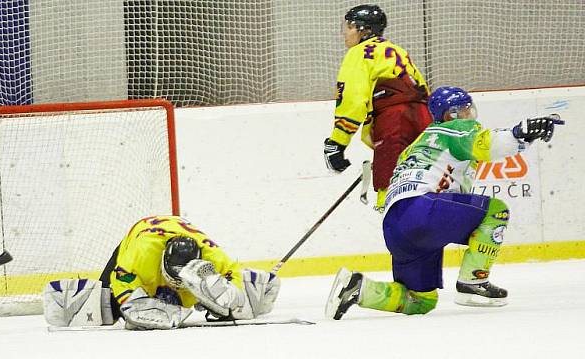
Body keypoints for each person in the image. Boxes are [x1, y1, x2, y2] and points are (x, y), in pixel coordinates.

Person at [325, 86, 564, 319]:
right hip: (424, 211)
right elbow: (486, 144)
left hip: (395, 227)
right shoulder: (455, 129)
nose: (471, 114)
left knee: (421, 300)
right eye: (467, 108)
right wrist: (520, 132)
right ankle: (474, 280)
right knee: (496, 211)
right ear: (453, 114)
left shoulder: (415, 146)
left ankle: (358, 288)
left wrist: (524, 139)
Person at [42, 215, 281, 330]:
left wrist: (222, 296)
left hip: (176, 237)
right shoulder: (139, 255)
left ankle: (255, 284)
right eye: (170, 278)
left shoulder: (213, 258)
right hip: (140, 235)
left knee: (222, 307)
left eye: (180, 281)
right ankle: (69, 298)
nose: (174, 284)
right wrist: (136, 310)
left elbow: (233, 283)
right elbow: (127, 300)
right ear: (163, 263)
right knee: (109, 307)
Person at [324, 4, 433, 209]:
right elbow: (423, 89)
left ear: (363, 29)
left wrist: (337, 142)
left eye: (348, 27)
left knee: (391, 187)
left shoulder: (359, 53)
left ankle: (398, 232)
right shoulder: (396, 50)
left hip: (394, 121)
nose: (345, 33)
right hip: (424, 118)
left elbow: (353, 99)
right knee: (422, 181)